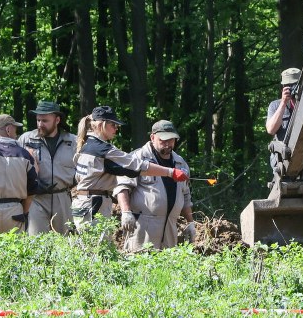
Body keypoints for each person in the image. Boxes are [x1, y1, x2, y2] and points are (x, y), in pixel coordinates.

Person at [72, 106, 187, 234]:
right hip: (94, 205)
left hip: (85, 203)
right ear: (102, 125)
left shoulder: (88, 144)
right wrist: (170, 172)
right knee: (99, 248)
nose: (117, 128)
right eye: (113, 125)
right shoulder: (103, 150)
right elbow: (136, 166)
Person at [115, 120, 194, 251]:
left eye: (171, 140)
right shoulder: (137, 158)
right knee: (139, 263)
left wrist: (190, 223)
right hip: (143, 226)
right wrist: (126, 212)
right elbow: (123, 187)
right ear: (152, 137)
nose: (168, 144)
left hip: (170, 226)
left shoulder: (180, 163)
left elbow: (186, 196)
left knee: (166, 267)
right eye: (163, 140)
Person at [18, 100, 78, 235]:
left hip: (62, 197)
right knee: (36, 240)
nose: (40, 124)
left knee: (66, 241)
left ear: (57, 120)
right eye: (38, 120)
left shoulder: (73, 141)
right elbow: (15, 169)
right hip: (35, 198)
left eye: (45, 121)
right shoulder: (26, 140)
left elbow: (82, 169)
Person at [266, 67, 303, 197]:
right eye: (288, 86)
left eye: (296, 85)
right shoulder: (275, 106)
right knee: (284, 198)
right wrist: (283, 103)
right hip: (284, 162)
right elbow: (271, 129)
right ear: (283, 87)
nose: (293, 88)